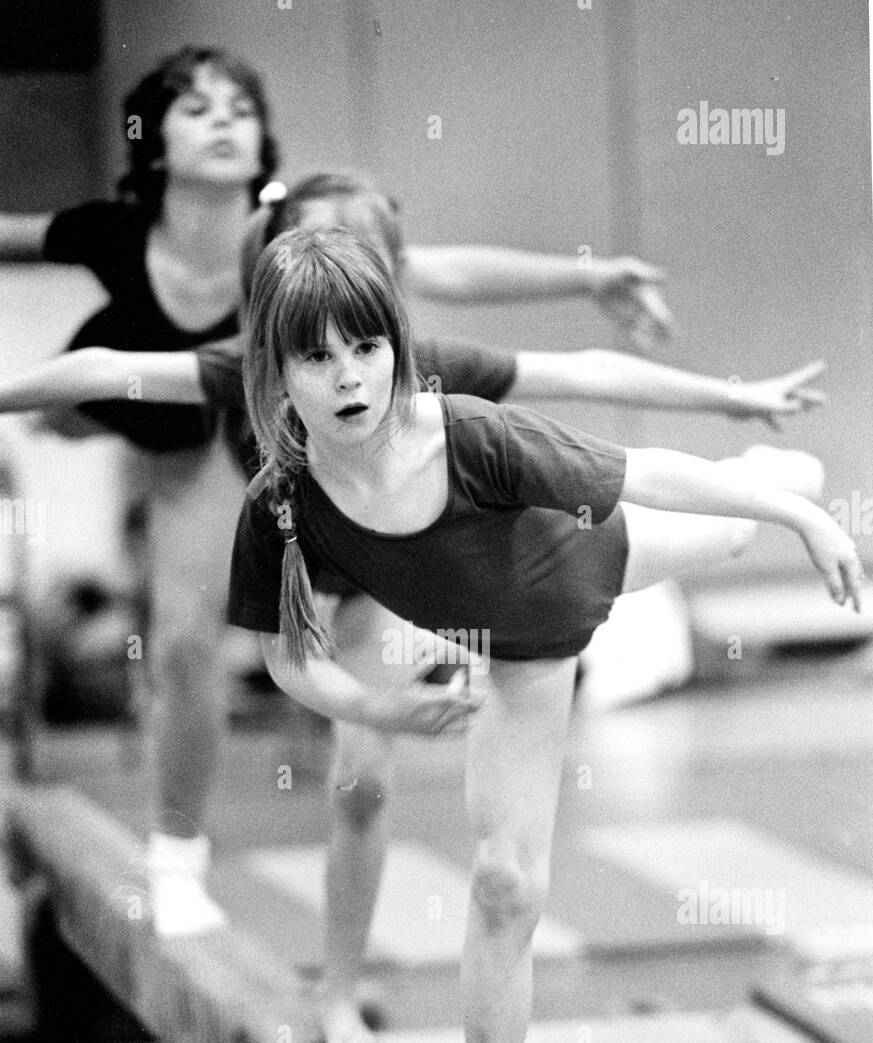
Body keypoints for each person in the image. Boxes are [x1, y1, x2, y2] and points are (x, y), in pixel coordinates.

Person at [0, 172, 829, 964]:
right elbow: (108, 369)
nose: (342, 364)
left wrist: (729, 396)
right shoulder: (248, 360)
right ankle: (258, 919)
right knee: (253, 688)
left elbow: (576, 366)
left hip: (384, 580)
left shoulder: (421, 368)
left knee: (359, 784)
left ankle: (338, 992)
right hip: (303, 558)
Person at [229, 226, 863, 1043]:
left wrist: (810, 522)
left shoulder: (470, 436)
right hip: (528, 658)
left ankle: (772, 484)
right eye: (317, 356)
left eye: (366, 347)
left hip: (596, 555)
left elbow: (641, 469)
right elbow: (284, 657)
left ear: (397, 344)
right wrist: (378, 707)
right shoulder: (284, 504)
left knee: (735, 523)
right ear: (273, 367)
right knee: (503, 882)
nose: (349, 376)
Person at [0, 49, 678, 934]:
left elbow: (434, 269)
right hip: (167, 410)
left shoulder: (291, 227)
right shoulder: (114, 232)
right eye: (197, 108)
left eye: (239, 107)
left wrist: (587, 277)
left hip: (269, 415)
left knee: (297, 669)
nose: (222, 121)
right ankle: (177, 853)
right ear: (155, 144)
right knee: (179, 638)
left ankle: (296, 880)